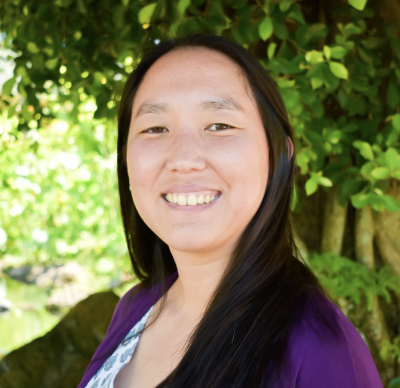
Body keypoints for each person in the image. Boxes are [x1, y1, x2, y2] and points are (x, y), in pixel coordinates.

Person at [78, 34, 383, 388]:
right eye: (155, 128)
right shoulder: (138, 304)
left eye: (220, 125)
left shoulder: (319, 352)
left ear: (279, 153)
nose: (183, 160)